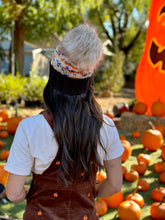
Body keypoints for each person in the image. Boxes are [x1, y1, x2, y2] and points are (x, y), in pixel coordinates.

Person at [5, 23, 124, 220]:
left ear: (54, 77)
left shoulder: (30, 128)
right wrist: (88, 195)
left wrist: (27, 194)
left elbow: (13, 193)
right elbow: (115, 185)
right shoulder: (107, 127)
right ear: (87, 81)